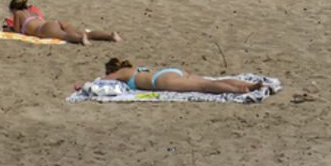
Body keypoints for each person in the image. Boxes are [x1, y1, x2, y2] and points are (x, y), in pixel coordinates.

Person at [101, 58, 263, 95]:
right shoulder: (135, 69)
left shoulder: (121, 73)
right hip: (170, 72)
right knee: (211, 81)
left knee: (205, 87)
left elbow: (103, 81)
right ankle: (250, 84)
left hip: (162, 81)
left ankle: (241, 88)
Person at [7, 0, 120, 45]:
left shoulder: (17, 13)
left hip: (43, 29)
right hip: (54, 23)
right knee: (86, 33)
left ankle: (80, 40)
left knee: (65, 36)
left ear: (14, 8)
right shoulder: (32, 11)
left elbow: (17, 31)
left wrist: (9, 28)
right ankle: (110, 36)